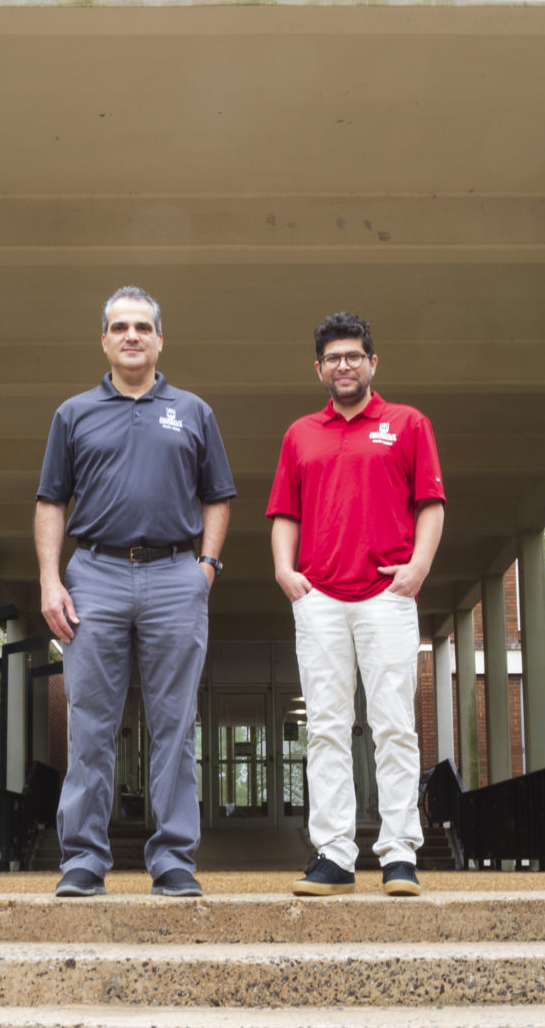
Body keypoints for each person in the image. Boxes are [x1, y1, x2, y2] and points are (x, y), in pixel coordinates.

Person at [35, 287, 233, 899]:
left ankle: (173, 859)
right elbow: (51, 502)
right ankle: (84, 861)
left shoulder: (194, 412)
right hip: (95, 573)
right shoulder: (73, 414)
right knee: (91, 720)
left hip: (176, 573)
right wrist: (50, 579)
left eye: (142, 327)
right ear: (104, 340)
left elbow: (218, 496)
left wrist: (206, 567)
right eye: (120, 326)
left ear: (159, 339)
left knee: (176, 722)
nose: (131, 336)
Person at [267, 311, 445, 896]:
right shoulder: (300, 434)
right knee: (325, 728)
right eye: (333, 358)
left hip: (387, 598)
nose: (344, 366)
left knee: (394, 726)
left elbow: (430, 503)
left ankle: (399, 855)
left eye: (354, 356)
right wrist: (285, 572)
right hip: (319, 598)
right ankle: (335, 856)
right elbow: (284, 513)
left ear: (373, 363)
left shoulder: (408, 423)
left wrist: (418, 567)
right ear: (319, 369)